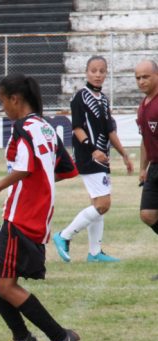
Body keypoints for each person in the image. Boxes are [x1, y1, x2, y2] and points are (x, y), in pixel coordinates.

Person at [0, 73, 81, 341]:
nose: (2, 108)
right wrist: (41, 182)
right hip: (20, 213)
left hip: (22, 216)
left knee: (6, 286)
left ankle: (61, 336)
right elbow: (66, 169)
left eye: (2, 102)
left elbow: (23, 168)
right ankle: (22, 337)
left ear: (15, 99)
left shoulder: (22, 128)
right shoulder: (45, 127)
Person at [53, 56, 134, 263]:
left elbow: (110, 131)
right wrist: (92, 150)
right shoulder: (80, 97)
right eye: (94, 70)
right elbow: (77, 127)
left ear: (106, 73)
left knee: (97, 203)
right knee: (104, 203)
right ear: (86, 73)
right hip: (89, 157)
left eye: (102, 71)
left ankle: (95, 253)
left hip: (102, 157)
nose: (98, 74)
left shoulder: (104, 99)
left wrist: (124, 154)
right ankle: (64, 236)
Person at [135, 59, 158, 281]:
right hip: (154, 168)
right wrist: (143, 167)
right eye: (138, 77)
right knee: (148, 214)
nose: (141, 81)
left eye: (146, 76)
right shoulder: (143, 106)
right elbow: (144, 139)